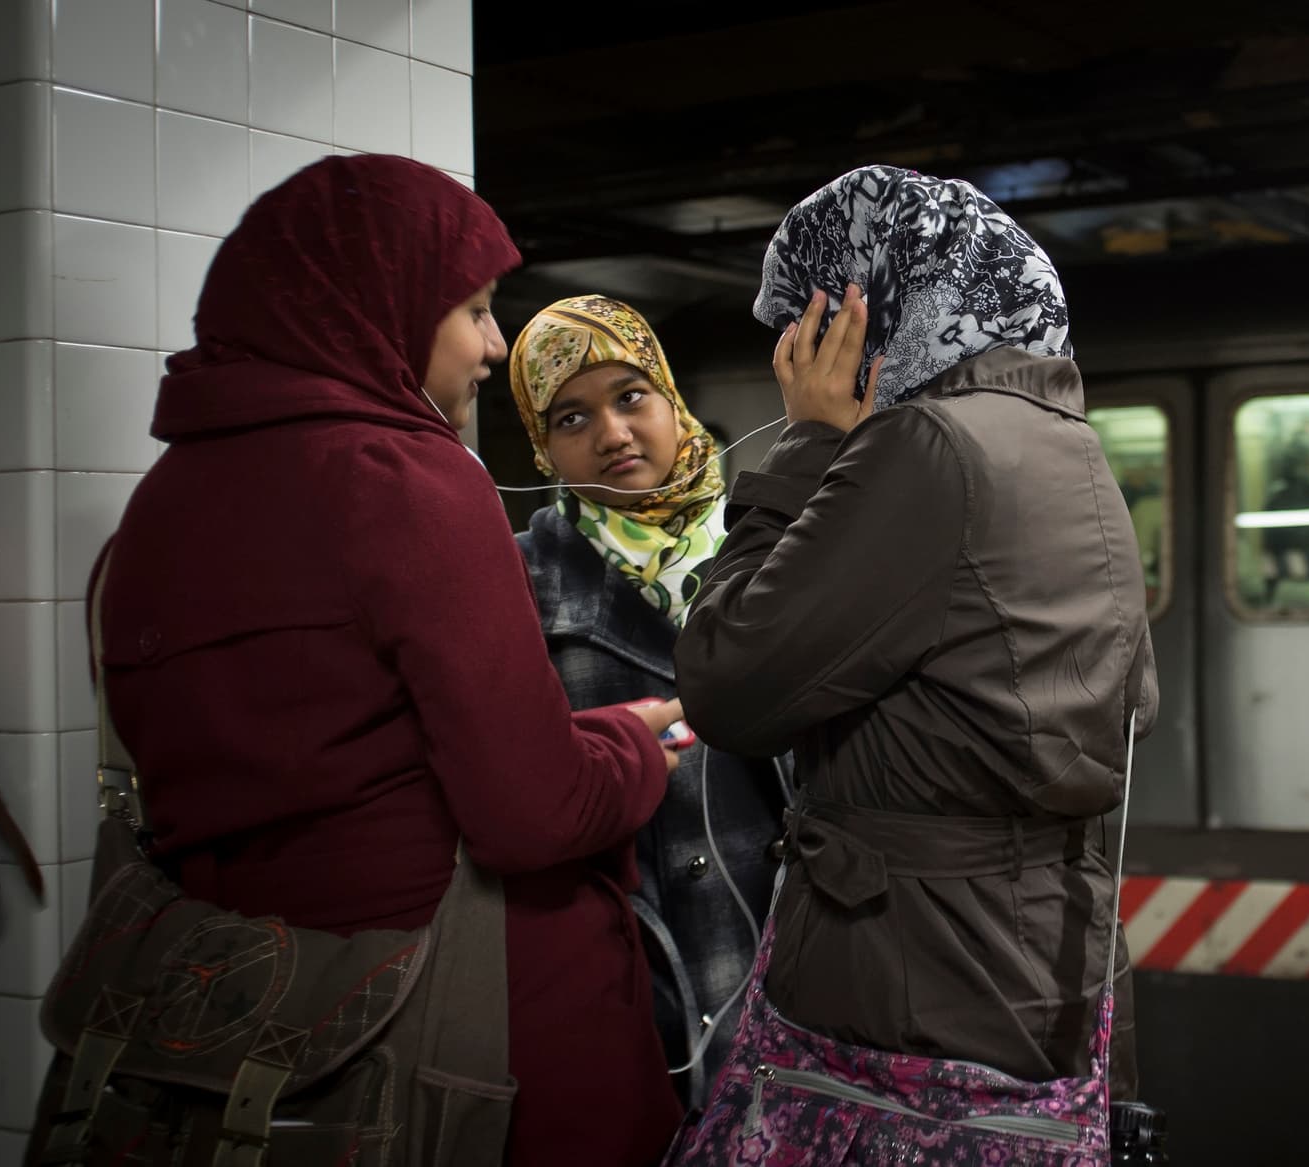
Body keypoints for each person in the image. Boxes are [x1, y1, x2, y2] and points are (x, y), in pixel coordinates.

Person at [90, 156, 682, 1164]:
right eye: (475, 310)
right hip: (465, 1034)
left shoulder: (155, 509)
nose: (494, 346)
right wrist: (627, 749)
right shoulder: (405, 478)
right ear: (384, 306)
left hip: (259, 1027)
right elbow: (529, 814)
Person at [676, 164, 1158, 1096]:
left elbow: (728, 678)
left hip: (915, 986)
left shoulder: (926, 446)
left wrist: (810, 441)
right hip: (1042, 959)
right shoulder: (1066, 440)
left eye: (807, 329)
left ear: (863, 313)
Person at [507, 294, 790, 1107]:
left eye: (632, 396)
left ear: (671, 397)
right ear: (543, 445)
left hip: (791, 948)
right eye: (571, 417)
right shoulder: (523, 580)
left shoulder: (770, 544)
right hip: (635, 964)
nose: (613, 434)